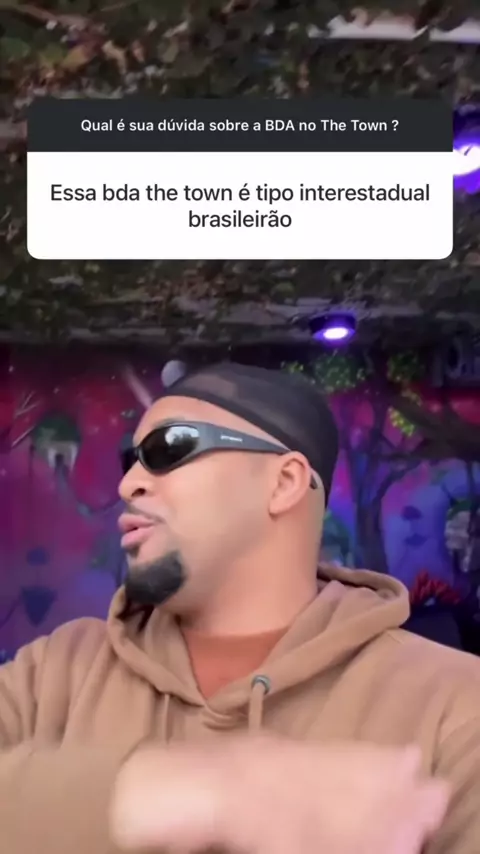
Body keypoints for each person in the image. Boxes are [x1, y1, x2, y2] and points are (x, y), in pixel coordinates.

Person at [0, 361, 479, 854]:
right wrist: (186, 792)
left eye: (169, 447)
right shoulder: (57, 671)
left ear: (284, 482)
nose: (128, 485)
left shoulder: (455, 704)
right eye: (131, 460)